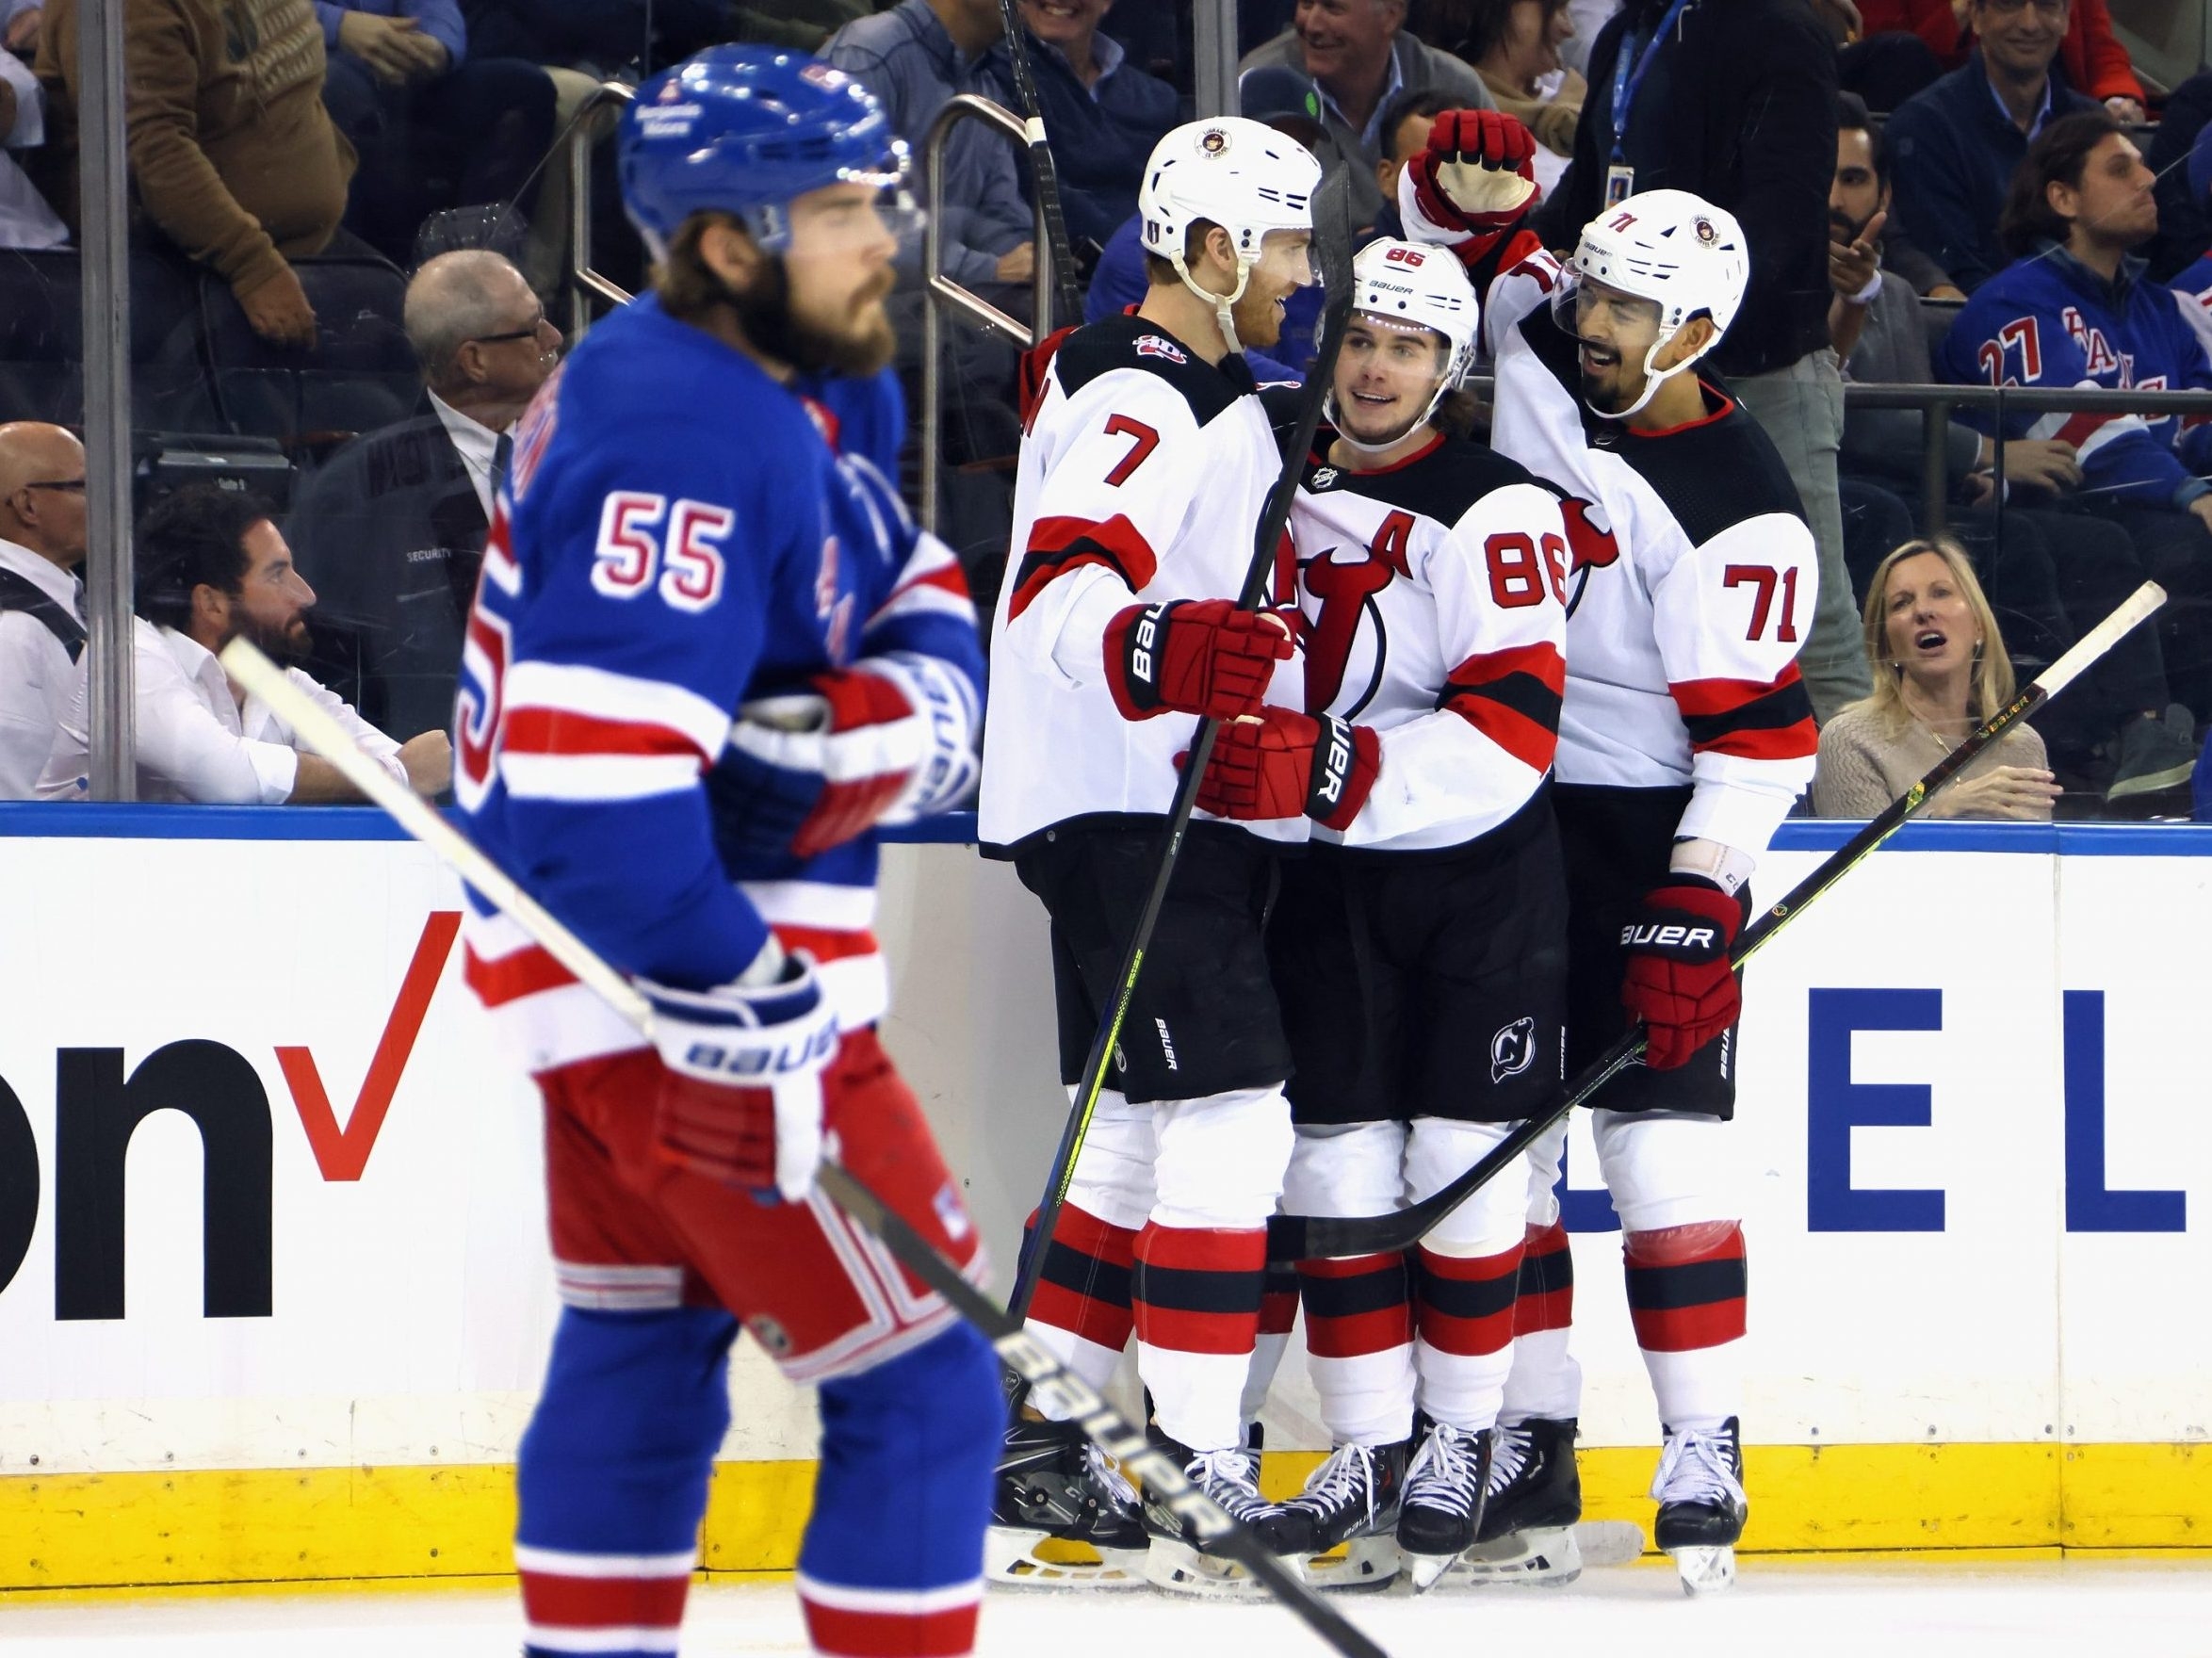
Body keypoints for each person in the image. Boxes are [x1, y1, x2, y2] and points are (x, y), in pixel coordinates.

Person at [452, 47, 999, 1658]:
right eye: (837, 210)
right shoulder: (672, 426)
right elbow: (589, 807)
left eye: (876, 198)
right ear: (720, 244)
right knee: (925, 1385)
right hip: (691, 994)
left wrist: (876, 739)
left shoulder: (812, 370)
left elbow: (920, 597)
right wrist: (742, 1005)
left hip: (637, 983)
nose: (883, 239)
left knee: (642, 1351)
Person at [1401, 122, 1820, 1592]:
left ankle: (1705, 1439)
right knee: (1505, 1156)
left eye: (1632, 314)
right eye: (1595, 300)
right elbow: (1467, 250)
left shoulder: (1741, 511)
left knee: (1655, 1153)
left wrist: (1702, 890)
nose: (1596, 329)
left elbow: (1767, 739)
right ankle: (1536, 1436)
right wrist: (1453, 177)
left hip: (1648, 838)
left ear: (1698, 332)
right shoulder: (1549, 326)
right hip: (1506, 811)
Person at [980, 115, 1321, 1595]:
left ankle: (1044, 1441)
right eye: (1289, 244)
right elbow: (1060, 595)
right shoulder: (1148, 383)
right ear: (1210, 249)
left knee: (1123, 1124)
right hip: (1132, 803)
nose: (1306, 276)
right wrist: (1166, 645)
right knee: (1234, 1119)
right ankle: (1198, 1477)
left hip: (1142, 802)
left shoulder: (1194, 383)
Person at [1209, 237, 1570, 1592]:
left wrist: (1328, 767)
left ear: (1449, 368)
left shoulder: (1497, 509)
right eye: (1362, 337)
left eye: (1409, 346)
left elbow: (1514, 729)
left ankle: (1462, 1442)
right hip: (1323, 878)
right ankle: (1365, 1447)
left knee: (1465, 1171)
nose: (1374, 366)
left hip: (1478, 879)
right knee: (1341, 1172)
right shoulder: (1268, 474)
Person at [1828, 96, 2193, 800]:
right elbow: (1857, 419)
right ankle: (2086, 733)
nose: (1840, 198)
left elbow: (1911, 422)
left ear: (1884, 193)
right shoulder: (1771, 286)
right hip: (1853, 494)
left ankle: (2121, 734)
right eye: (1830, 178)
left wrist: (1971, 471)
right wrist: (1983, 455)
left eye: (1855, 179)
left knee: (2068, 538)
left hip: (1923, 489)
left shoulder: (1899, 295)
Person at [1530, 0, 1867, 726]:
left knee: (1813, 623)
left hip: (1758, 368)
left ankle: (1853, 812)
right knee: (1632, 601)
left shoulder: (1780, 29)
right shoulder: (1625, 35)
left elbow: (1782, 215)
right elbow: (1592, 191)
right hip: (1630, 365)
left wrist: (1683, 317)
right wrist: (1504, 247)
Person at [1937, 111, 2212, 727]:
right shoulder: (2014, 301)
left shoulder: (2161, 308)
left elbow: (2198, 421)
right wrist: (2192, 493)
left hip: (2146, 507)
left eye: (2145, 165)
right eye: (2121, 170)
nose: (2148, 180)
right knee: (2189, 549)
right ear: (2062, 198)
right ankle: (2151, 739)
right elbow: (2075, 429)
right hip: (2050, 510)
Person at [288, 249, 561, 741]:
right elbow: (327, 660)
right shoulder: (356, 490)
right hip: (432, 777)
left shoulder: (582, 454)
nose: (554, 339)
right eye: (533, 326)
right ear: (474, 360)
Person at [39, 484, 450, 803]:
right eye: (277, 575)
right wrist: (393, 777)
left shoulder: (274, 679)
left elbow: (409, 761)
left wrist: (405, 769)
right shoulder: (127, 657)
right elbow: (227, 777)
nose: (305, 595)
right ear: (211, 603)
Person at [36, 0, 356, 349]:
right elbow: (153, 150)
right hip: (197, 277)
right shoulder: (131, 8)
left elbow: (288, 90)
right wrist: (253, 268)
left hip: (308, 245)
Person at [1814, 536, 2059, 818]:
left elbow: (2035, 860)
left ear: (1978, 626)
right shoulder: (1851, 740)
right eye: (1901, 603)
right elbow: (1858, 861)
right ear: (1887, 647)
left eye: (1941, 593)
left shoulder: (2021, 745)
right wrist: (1942, 813)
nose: (1922, 611)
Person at [316, 0, 557, 268]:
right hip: (319, 64)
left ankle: (483, 268)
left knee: (525, 89)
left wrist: (436, 46)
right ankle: (367, 278)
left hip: (402, 69)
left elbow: (437, 11)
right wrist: (339, 25)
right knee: (345, 92)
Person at [823, 0, 1037, 300]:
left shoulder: (987, 83)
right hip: (872, 313)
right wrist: (984, 268)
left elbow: (998, 212)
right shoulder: (868, 52)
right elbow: (834, 218)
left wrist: (1033, 259)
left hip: (960, 314)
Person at [1883, 0, 2097, 296]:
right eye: (2009, 4)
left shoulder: (2096, 130)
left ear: (2066, 18)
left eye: (2047, 5)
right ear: (1976, 16)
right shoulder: (1923, 126)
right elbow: (1957, 267)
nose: (2030, 24)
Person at [1239, 0, 1492, 231]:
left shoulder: (1452, 84)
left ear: (1390, 16)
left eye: (1332, 8)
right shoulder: (1259, 84)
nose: (1312, 24)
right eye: (1306, 4)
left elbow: (1505, 199)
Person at [984, 0, 1179, 254]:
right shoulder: (996, 78)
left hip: (1163, 268)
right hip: (1064, 273)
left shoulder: (1158, 99)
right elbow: (1038, 193)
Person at [1857, 0, 2144, 120]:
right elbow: (1888, 59)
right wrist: (1960, 13)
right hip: (1942, 114)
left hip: (2059, 115)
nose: (2030, 23)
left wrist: (2117, 96)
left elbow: (2101, 48)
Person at [0, 421, 83, 797]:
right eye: (82, 487)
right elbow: (14, 801)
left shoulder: (57, 602)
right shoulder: (13, 631)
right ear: (27, 505)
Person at [1465, 0, 1582, 196]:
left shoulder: (1574, 94)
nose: (1568, 29)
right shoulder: (1455, 119)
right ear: (1508, 10)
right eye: (1554, 9)